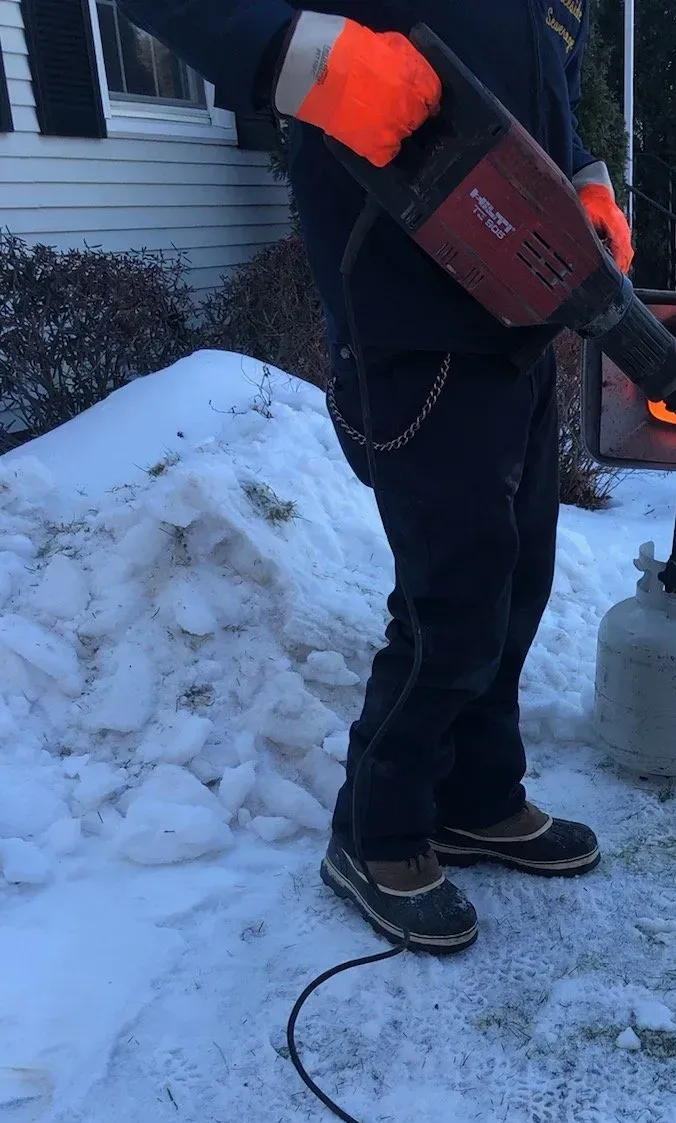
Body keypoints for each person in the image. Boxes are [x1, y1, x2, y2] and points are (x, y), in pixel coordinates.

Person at [118, 0, 633, 953]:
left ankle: (477, 796)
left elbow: (548, 104)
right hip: (409, 328)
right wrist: (303, 52)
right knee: (455, 601)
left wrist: (587, 189)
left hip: (516, 327)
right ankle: (377, 830)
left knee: (516, 582)